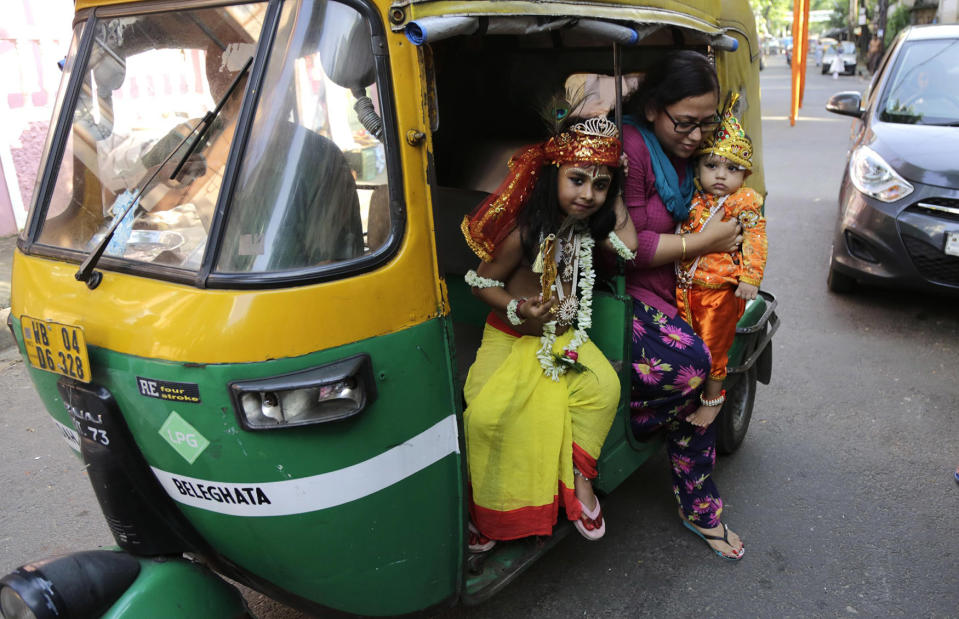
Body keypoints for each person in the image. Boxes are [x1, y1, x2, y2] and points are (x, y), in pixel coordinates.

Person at [460, 114, 639, 551]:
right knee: (486, 420)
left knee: (603, 388)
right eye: (577, 179)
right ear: (550, 176)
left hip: (563, 338)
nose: (587, 194)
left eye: (599, 185)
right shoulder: (523, 234)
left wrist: (614, 196)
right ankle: (492, 515)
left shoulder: (581, 228)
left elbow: (629, 247)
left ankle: (580, 479)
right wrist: (519, 307)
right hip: (511, 336)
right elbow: (480, 283)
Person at [620, 50, 745, 560]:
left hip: (682, 289)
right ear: (652, 108)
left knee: (709, 367)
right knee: (692, 372)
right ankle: (647, 427)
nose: (696, 138)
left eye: (706, 125)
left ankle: (699, 509)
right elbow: (627, 249)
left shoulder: (693, 156)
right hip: (628, 292)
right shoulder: (631, 149)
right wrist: (705, 243)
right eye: (685, 123)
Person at [676, 94, 767, 429]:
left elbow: (756, 239)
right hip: (685, 290)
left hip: (720, 293)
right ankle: (690, 394)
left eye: (731, 169)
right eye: (711, 166)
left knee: (714, 348)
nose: (720, 175)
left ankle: (713, 402)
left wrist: (750, 278)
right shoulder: (693, 198)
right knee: (689, 348)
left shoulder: (743, 202)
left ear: (744, 175)